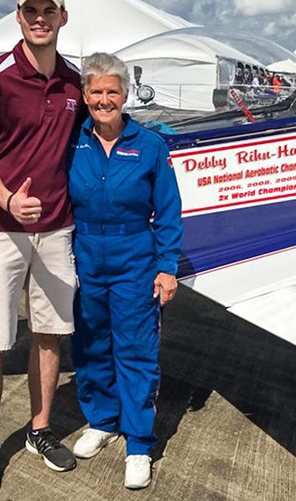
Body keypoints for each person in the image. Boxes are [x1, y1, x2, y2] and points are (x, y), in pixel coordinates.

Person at [0, 0, 85, 497]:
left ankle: (39, 429)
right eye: (30, 11)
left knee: (50, 335)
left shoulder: (74, 82)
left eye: (47, 10)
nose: (39, 18)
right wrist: (7, 199)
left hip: (56, 228)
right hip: (0, 229)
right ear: (18, 17)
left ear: (61, 18)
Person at [67, 52, 183, 490]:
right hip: (85, 255)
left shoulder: (150, 146)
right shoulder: (72, 142)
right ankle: (102, 419)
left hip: (135, 255)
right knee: (92, 343)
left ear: (125, 94)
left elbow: (169, 212)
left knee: (134, 349)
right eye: (95, 91)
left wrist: (167, 267)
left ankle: (138, 443)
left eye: (111, 91)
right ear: (84, 95)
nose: (103, 99)